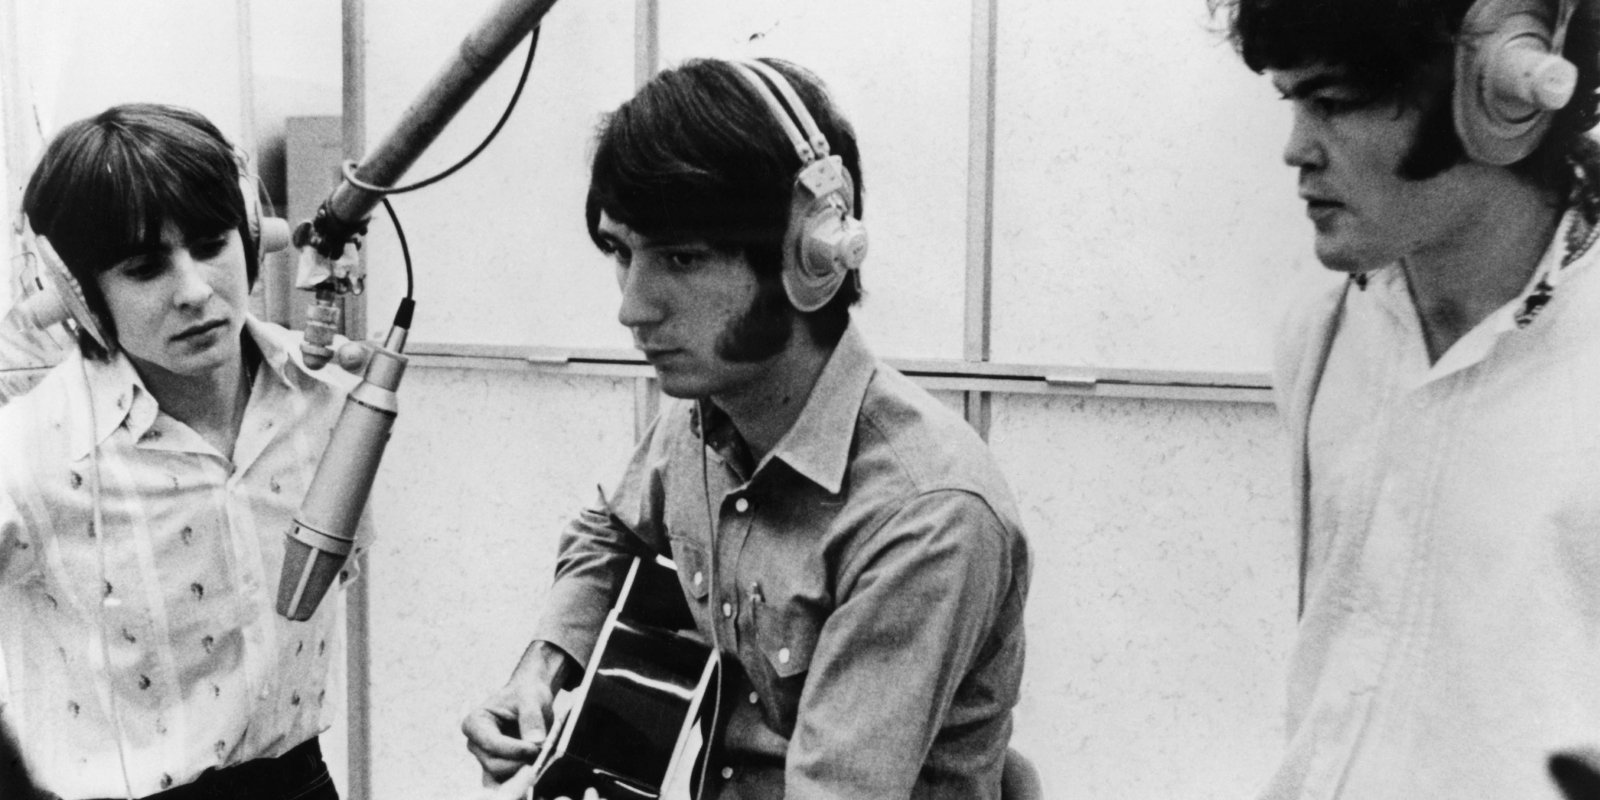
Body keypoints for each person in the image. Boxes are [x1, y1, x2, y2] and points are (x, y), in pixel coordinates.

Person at [461, 57, 1030, 799]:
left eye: (681, 258)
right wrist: (540, 668)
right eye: (621, 253)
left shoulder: (927, 517)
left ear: (812, 257)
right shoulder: (703, 419)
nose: (632, 308)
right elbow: (610, 531)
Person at [1212, 0, 1600, 797]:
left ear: (1504, 88)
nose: (1296, 151)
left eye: (1335, 103)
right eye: (1291, 102)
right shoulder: (1321, 332)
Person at [0, 103, 368, 799]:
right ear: (81, 294)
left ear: (251, 239)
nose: (195, 292)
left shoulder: (328, 400)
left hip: (301, 782)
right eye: (145, 269)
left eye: (209, 245)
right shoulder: (31, 453)